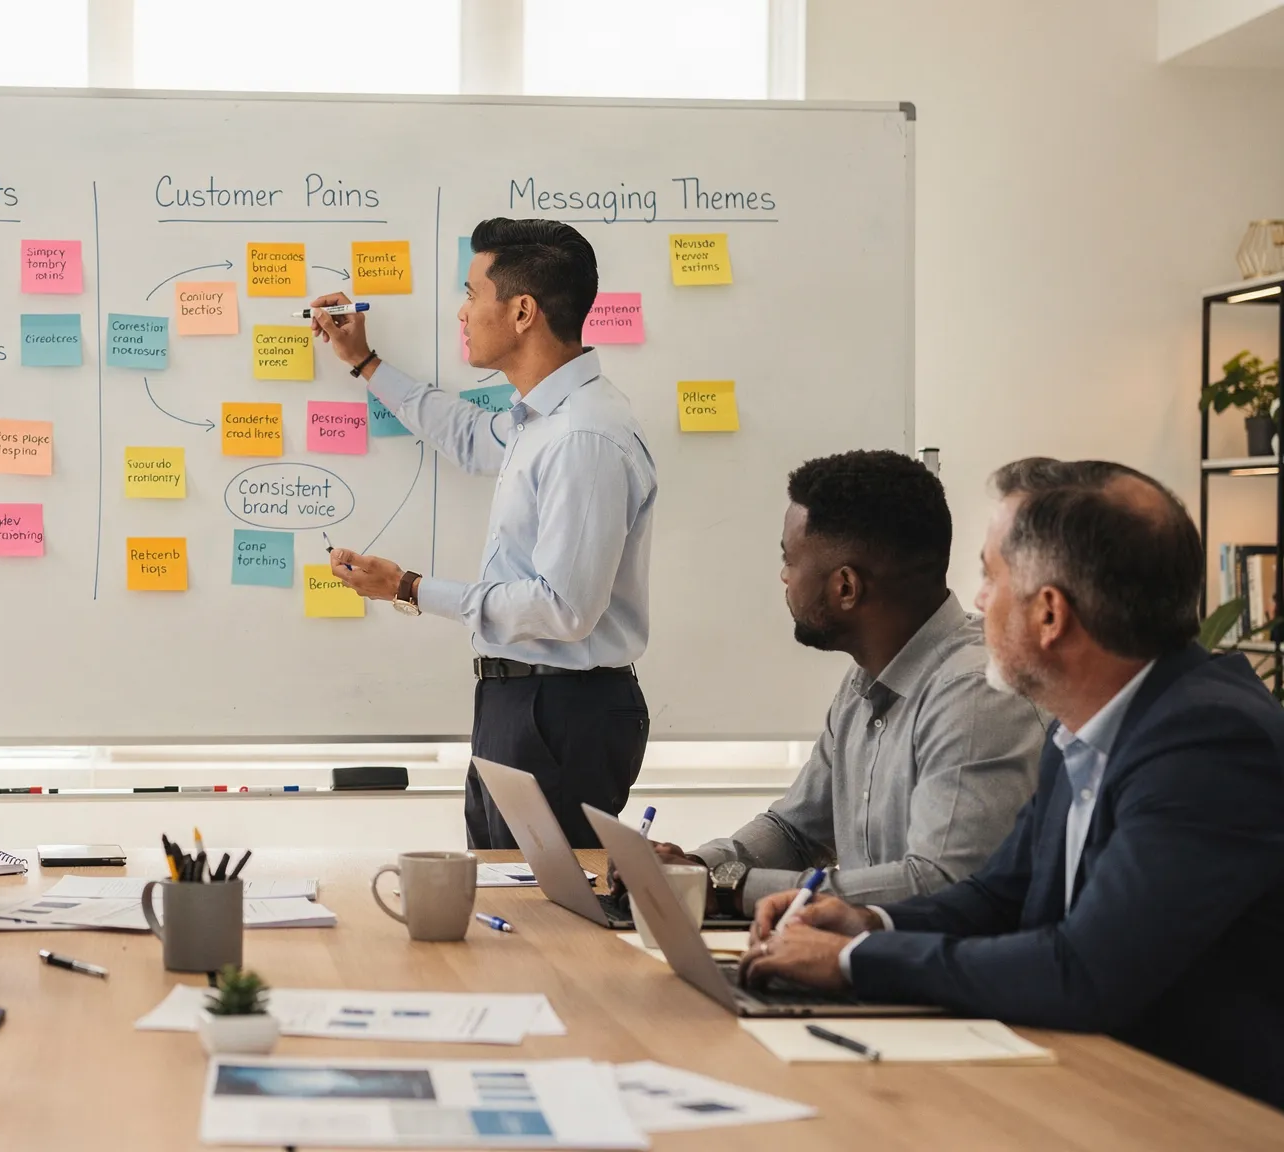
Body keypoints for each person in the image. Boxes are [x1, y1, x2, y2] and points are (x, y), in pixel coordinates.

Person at [740, 458, 1284, 1110]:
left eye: (990, 577)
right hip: (1091, 1078)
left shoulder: (1207, 744)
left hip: (1200, 1110)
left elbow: (1085, 969)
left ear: (1049, 614)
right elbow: (996, 897)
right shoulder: (1087, 723)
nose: (977, 601)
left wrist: (854, 963)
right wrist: (868, 921)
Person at [312, 218, 658, 850]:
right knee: (505, 895)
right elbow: (470, 436)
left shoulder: (582, 436)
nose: (463, 312)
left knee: (545, 909)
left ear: (522, 312)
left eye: (473, 294)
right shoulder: (542, 420)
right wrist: (363, 361)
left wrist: (409, 587)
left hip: (560, 712)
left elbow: (564, 608)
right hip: (522, 703)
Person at [649, 451, 1045, 917]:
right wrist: (694, 868)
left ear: (845, 587)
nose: (784, 576)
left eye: (790, 560)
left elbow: (938, 886)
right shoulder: (865, 681)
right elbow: (795, 832)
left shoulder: (976, 695)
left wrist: (731, 890)